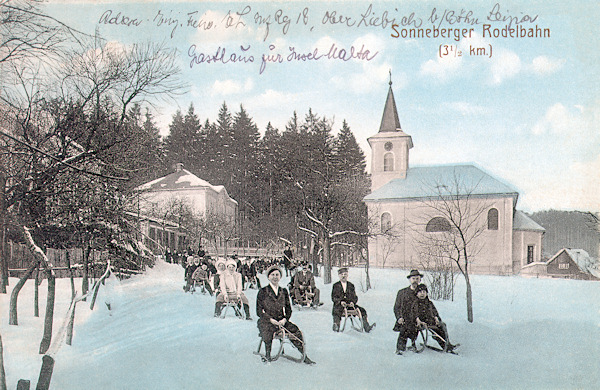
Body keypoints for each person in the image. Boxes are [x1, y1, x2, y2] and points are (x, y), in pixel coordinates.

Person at [256, 265, 315, 364]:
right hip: (267, 321)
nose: (275, 277)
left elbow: (288, 310)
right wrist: (270, 320)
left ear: (280, 277)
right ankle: (267, 354)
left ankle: (304, 355)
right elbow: (259, 311)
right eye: (273, 275)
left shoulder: (283, 291)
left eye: (277, 275)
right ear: (269, 277)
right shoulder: (263, 291)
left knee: (296, 331)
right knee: (268, 331)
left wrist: (284, 319)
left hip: (281, 320)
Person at [412, 283, 456, 352]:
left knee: (441, 328)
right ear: (417, 294)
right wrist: (418, 320)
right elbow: (415, 313)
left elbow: (435, 312)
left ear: (426, 293)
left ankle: (447, 345)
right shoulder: (416, 303)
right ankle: (446, 346)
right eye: (420, 292)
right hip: (421, 322)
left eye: (424, 292)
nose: (422, 294)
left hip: (431, 321)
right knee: (436, 331)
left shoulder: (429, 303)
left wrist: (437, 318)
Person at [331, 268, 375, 332]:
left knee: (362, 310)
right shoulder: (336, 285)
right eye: (342, 274)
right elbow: (333, 297)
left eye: (345, 274)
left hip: (350, 306)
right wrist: (340, 302)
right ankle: (336, 326)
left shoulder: (351, 285)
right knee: (337, 311)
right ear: (339, 276)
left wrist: (353, 302)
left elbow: (355, 297)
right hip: (340, 305)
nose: (343, 276)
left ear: (347, 275)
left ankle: (367, 327)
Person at [393, 269, 423, 355]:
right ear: (410, 280)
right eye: (413, 279)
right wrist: (399, 317)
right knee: (405, 327)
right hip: (405, 317)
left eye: (417, 279)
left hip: (418, 318)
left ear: (420, 280)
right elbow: (397, 307)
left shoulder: (422, 292)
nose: (415, 281)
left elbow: (427, 306)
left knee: (440, 326)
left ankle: (446, 345)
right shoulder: (402, 293)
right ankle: (400, 349)